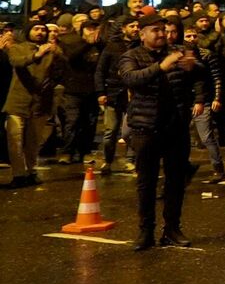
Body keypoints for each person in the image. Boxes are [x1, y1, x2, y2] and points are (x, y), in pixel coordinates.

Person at [117, 15, 214, 249]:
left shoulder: (178, 52)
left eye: (163, 30)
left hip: (176, 127)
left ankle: (172, 229)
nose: (161, 34)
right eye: (155, 30)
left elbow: (203, 77)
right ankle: (145, 231)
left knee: (175, 182)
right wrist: (160, 67)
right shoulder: (132, 56)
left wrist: (194, 66)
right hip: (145, 127)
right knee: (146, 183)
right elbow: (131, 79)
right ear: (142, 34)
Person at [6, 22, 61, 188]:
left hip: (40, 102)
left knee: (33, 141)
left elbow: (62, 71)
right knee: (15, 140)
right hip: (18, 101)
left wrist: (52, 83)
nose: (40, 32)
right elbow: (17, 62)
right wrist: (37, 55)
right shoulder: (18, 48)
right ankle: (18, 174)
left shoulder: (52, 51)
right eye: (36, 29)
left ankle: (31, 171)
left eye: (43, 30)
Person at [182, 23, 225, 184]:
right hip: (185, 100)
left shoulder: (207, 55)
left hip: (204, 100)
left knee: (207, 137)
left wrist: (217, 98)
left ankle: (218, 168)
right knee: (182, 137)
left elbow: (216, 77)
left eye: (194, 35)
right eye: (188, 36)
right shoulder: (179, 55)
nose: (192, 39)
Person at [96, 18, 140, 175]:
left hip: (133, 95)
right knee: (110, 131)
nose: (135, 29)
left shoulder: (140, 46)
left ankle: (130, 160)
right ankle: (108, 160)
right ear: (123, 29)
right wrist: (101, 92)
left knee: (131, 130)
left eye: (137, 26)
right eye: (132, 26)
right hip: (114, 94)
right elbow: (101, 70)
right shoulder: (112, 46)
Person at [58, 19, 106, 164]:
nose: (92, 32)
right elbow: (71, 58)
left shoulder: (102, 47)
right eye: (88, 29)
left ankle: (85, 151)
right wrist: (87, 44)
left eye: (94, 29)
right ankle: (67, 152)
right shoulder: (73, 44)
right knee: (72, 121)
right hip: (74, 90)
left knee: (90, 123)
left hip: (92, 90)